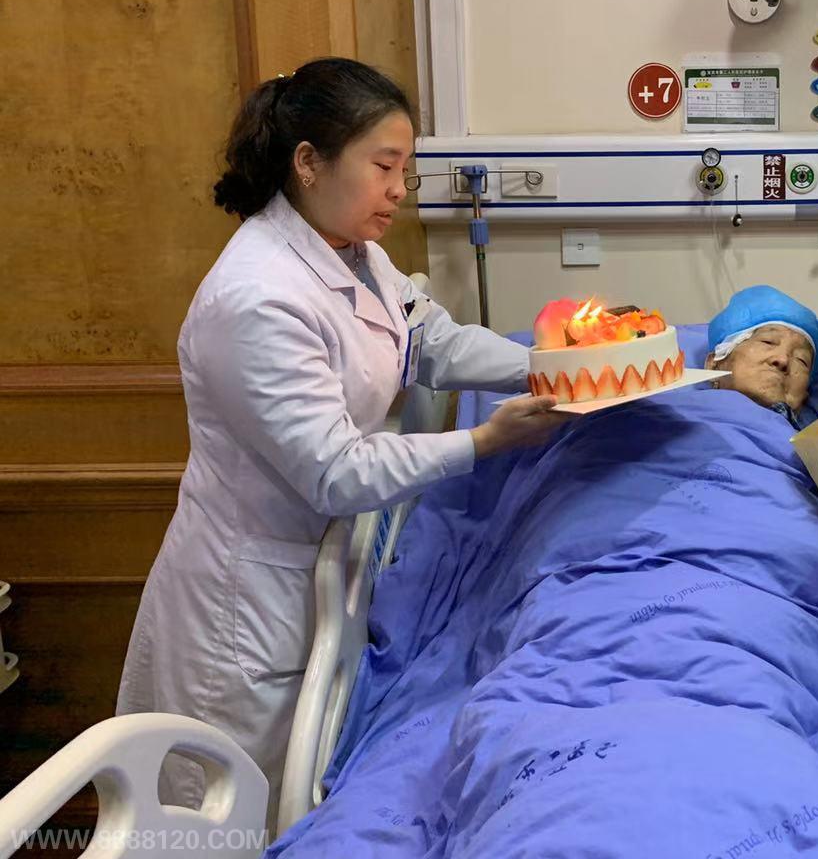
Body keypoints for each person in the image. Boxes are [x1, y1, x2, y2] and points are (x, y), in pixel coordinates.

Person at [117, 58, 566, 824]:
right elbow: (335, 470)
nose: (399, 189)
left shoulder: (356, 254)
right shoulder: (257, 297)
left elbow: (433, 344)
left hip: (320, 571)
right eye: (383, 167)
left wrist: (553, 366)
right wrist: (485, 441)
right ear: (309, 162)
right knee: (218, 817)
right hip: (244, 605)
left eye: (405, 171)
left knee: (285, 806)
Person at [705, 285, 818, 427]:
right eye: (768, 341)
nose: (783, 359)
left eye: (801, 360)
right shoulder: (684, 417)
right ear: (714, 365)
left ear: (805, 394)